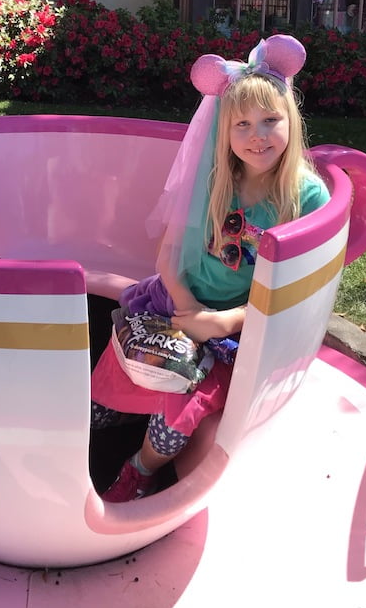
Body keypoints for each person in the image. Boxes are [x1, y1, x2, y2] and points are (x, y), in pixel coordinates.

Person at [91, 35, 330, 502]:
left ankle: (140, 470)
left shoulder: (306, 197)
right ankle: (119, 414)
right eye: (242, 124)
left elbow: (293, 296)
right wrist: (187, 308)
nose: (257, 135)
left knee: (176, 414)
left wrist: (219, 322)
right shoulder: (215, 179)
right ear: (224, 130)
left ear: (291, 119)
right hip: (175, 302)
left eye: (270, 120)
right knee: (104, 403)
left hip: (236, 329)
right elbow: (168, 253)